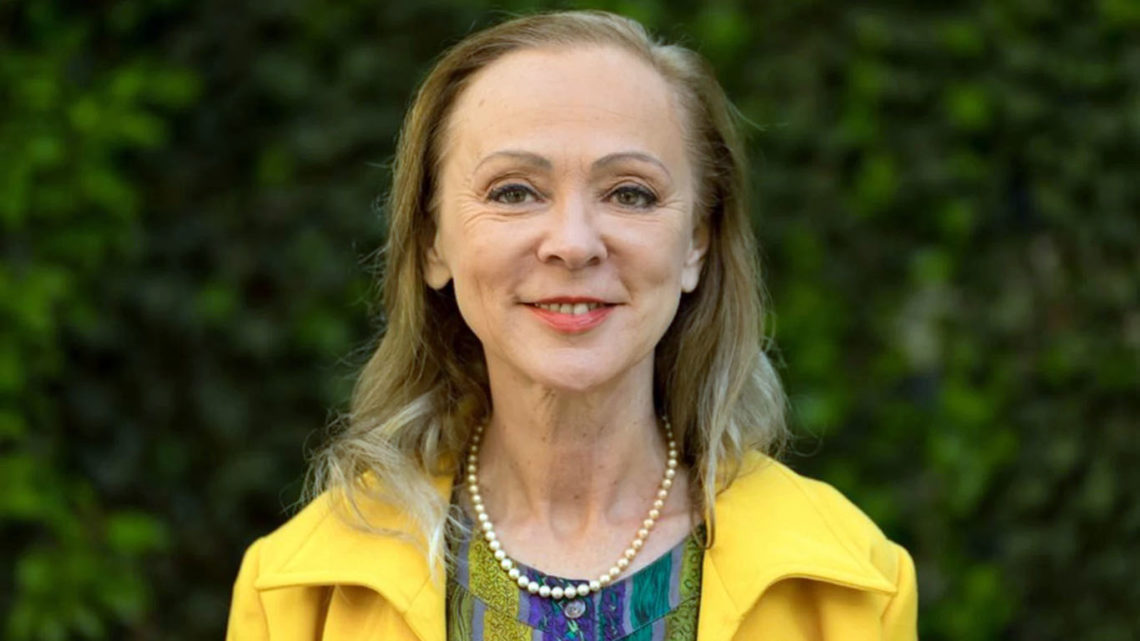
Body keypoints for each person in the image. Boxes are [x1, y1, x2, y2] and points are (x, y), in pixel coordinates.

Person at [226, 10, 917, 641]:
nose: (574, 243)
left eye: (630, 193)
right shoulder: (298, 594)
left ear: (696, 245)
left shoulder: (853, 587)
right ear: (433, 242)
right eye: (514, 191)